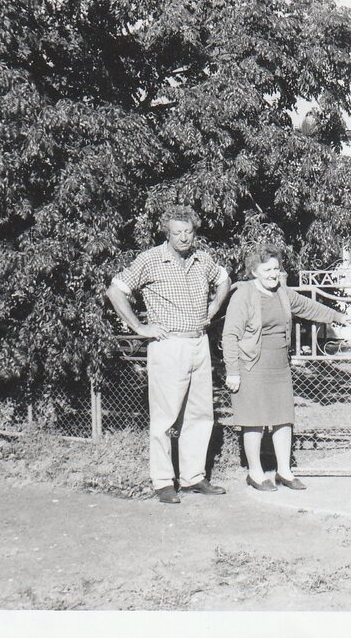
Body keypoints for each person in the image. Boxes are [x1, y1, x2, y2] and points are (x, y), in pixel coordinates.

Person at [106, 205, 231, 504]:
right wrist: (139, 326)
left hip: (199, 343)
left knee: (200, 415)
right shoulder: (149, 260)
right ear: (167, 232)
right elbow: (115, 290)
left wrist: (214, 306)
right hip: (168, 345)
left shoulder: (203, 259)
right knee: (165, 418)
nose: (184, 238)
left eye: (188, 232)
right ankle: (163, 482)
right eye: (177, 233)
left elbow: (224, 279)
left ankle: (192, 478)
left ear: (194, 231)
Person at [222, 243, 350, 492]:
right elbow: (230, 336)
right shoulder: (244, 294)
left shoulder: (281, 291)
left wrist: (337, 316)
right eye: (266, 269)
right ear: (254, 271)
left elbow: (306, 306)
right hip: (251, 365)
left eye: (275, 269)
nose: (272, 274)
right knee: (254, 421)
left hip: (279, 366)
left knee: (283, 419)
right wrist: (233, 371)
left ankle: (284, 471)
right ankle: (256, 473)